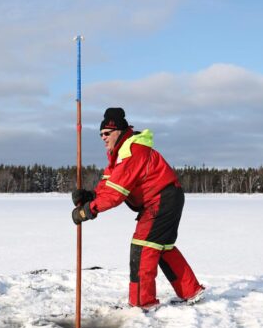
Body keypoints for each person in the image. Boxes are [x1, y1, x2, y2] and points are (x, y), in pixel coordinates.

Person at [71, 107, 205, 310]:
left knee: (142, 247)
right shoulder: (119, 154)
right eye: (100, 135)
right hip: (164, 199)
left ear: (118, 131)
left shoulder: (132, 152)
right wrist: (90, 196)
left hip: (161, 199)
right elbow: (108, 185)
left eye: (106, 133)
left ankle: (142, 303)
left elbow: (115, 195)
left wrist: (87, 211)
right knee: (161, 248)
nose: (103, 138)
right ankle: (191, 291)